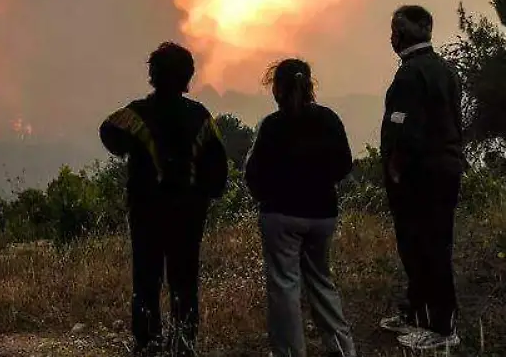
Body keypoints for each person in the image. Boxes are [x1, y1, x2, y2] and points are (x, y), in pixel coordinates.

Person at [99, 41, 229, 356]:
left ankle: (147, 343)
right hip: (188, 215)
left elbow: (108, 131)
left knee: (146, 279)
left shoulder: (136, 114)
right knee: (184, 279)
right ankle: (184, 343)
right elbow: (218, 174)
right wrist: (202, 193)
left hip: (147, 213)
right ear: (188, 78)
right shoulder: (200, 117)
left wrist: (133, 152)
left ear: (153, 76)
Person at [244, 58, 357, 357]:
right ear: (309, 85)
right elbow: (344, 164)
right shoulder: (329, 119)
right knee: (322, 282)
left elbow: (253, 174)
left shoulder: (272, 126)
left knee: (284, 288)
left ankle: (290, 352)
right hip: (322, 214)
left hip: (280, 216)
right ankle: (342, 349)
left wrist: (266, 197)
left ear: (277, 89)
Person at [379, 4, 465, 351]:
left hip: (421, 176)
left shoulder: (410, 75)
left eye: (394, 29)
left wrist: (396, 166)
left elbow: (404, 128)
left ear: (400, 34)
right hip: (446, 169)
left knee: (423, 246)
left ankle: (441, 327)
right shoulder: (446, 70)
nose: (391, 36)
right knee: (432, 244)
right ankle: (416, 312)